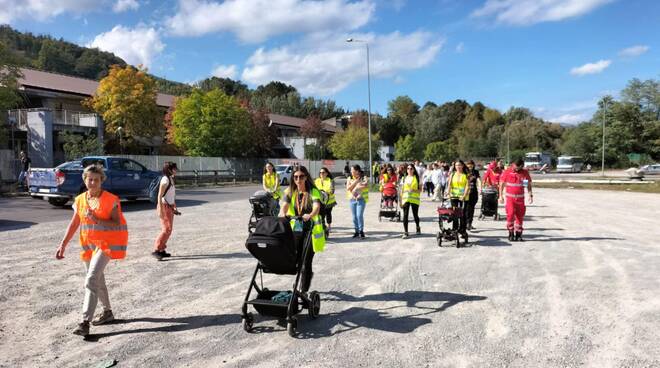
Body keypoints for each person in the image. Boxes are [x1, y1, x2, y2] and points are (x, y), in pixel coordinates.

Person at [55, 164, 128, 337]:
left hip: (106, 244)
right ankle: (108, 312)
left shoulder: (111, 199)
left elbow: (116, 222)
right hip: (88, 245)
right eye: (90, 179)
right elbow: (74, 223)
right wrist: (63, 244)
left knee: (91, 278)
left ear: (102, 180)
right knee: (97, 280)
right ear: (85, 180)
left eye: (96, 179)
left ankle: (84, 322)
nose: (93, 182)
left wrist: (96, 220)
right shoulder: (80, 199)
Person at [279, 166, 325, 292]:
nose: (298, 180)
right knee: (296, 258)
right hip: (296, 230)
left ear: (306, 177)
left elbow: (316, 207)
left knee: (306, 260)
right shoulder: (289, 191)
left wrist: (310, 215)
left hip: (311, 229)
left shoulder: (313, 191)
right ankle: (303, 279)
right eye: (295, 177)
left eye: (301, 177)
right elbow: (284, 207)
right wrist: (282, 214)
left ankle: (303, 289)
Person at [499, 158, 533, 241]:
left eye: (518, 167)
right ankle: (511, 232)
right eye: (515, 166)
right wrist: (501, 196)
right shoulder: (507, 171)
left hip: (520, 199)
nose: (516, 168)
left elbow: (528, 184)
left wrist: (530, 195)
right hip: (510, 198)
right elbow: (501, 184)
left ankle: (518, 234)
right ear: (513, 164)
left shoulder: (524, 172)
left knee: (520, 216)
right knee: (510, 215)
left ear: (522, 166)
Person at [153, 162, 178, 260]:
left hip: (170, 206)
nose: (176, 170)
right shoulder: (165, 180)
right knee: (166, 229)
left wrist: (174, 206)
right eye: (175, 168)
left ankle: (161, 250)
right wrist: (160, 209)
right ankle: (156, 249)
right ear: (169, 169)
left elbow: (171, 195)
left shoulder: (170, 179)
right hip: (164, 206)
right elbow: (160, 195)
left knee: (169, 229)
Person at [446, 160, 469, 239]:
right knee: (455, 213)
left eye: (459, 165)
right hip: (454, 197)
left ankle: (463, 230)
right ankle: (454, 230)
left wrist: (464, 195)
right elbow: (449, 185)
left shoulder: (466, 175)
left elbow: (467, 186)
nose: (458, 167)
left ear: (462, 166)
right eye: (456, 165)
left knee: (462, 215)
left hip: (463, 197)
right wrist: (448, 193)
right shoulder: (452, 174)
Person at [346, 165, 369, 238]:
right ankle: (356, 231)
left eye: (352, 170)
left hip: (361, 200)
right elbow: (348, 188)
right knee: (354, 217)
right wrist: (356, 182)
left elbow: (365, 185)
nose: (351, 172)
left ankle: (361, 231)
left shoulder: (363, 178)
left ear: (357, 171)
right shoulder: (349, 178)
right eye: (351, 170)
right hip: (352, 200)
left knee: (359, 215)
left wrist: (357, 187)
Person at [401, 164, 421, 239]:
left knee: (415, 215)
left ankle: (418, 226)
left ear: (414, 170)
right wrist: (400, 200)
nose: (409, 170)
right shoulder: (404, 178)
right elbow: (402, 190)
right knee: (405, 215)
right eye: (408, 168)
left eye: (411, 168)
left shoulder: (417, 178)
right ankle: (406, 232)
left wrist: (414, 190)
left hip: (414, 199)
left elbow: (420, 190)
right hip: (406, 199)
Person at [314, 167, 336, 237]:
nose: (321, 174)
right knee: (321, 215)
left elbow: (332, 190)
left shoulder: (330, 180)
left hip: (329, 201)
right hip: (319, 201)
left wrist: (325, 192)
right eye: (320, 173)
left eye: (323, 172)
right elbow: (313, 189)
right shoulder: (316, 180)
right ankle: (322, 227)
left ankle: (329, 226)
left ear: (326, 173)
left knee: (328, 213)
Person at [464, 160, 481, 231]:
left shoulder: (475, 172)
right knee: (466, 208)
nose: (470, 166)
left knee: (471, 208)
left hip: (473, 192)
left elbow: (478, 180)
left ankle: (469, 223)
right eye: (468, 164)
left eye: (471, 164)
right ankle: (465, 223)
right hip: (465, 192)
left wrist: (480, 188)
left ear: (473, 165)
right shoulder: (464, 172)